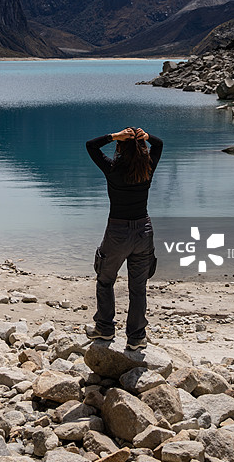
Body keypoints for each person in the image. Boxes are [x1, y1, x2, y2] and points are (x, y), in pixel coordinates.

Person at [85, 126, 163, 350]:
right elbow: (159, 145)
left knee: (105, 279)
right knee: (138, 288)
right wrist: (146, 136)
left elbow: (91, 145)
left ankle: (105, 329)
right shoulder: (147, 167)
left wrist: (112, 136)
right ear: (143, 148)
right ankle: (136, 337)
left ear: (120, 147)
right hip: (143, 232)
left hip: (117, 233)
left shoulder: (112, 168)